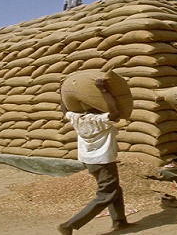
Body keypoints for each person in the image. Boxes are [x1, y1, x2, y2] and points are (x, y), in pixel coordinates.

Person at [57, 78, 133, 235]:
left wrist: (62, 92)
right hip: (103, 161)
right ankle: (69, 225)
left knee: (115, 189)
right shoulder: (99, 120)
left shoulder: (78, 118)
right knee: (106, 194)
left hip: (89, 161)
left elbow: (65, 111)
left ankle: (120, 221)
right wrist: (104, 91)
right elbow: (115, 113)